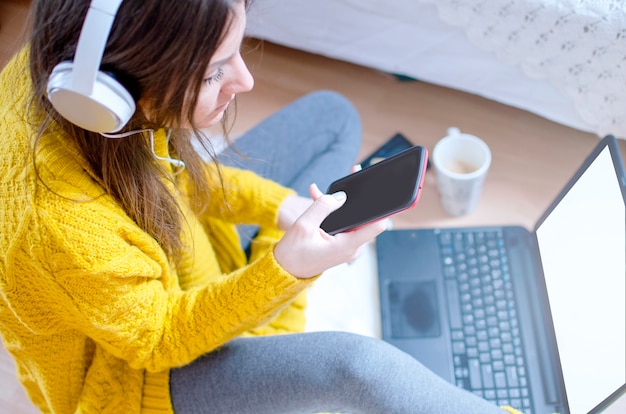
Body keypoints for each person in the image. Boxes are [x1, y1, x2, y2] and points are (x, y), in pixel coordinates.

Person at [0, 0, 525, 413]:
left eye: (235, 52)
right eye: (213, 73)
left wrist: (280, 207)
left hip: (181, 253)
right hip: (142, 376)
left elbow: (177, 180)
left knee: (332, 117)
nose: (245, 83)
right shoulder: (60, 227)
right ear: (116, 95)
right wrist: (284, 271)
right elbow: (160, 339)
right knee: (357, 367)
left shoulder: (76, 76)